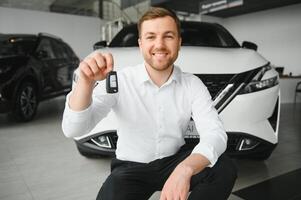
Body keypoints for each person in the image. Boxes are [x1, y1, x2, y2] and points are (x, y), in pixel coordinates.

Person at [62, 7, 237, 200]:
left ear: (179, 43)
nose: (159, 45)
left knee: (224, 168)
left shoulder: (192, 84)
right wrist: (85, 83)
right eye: (151, 37)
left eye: (168, 36)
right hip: (130, 169)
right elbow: (73, 129)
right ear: (140, 43)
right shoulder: (119, 80)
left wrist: (185, 169)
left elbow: (215, 133)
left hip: (174, 161)